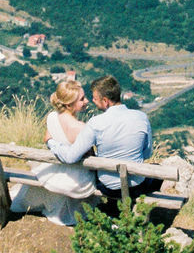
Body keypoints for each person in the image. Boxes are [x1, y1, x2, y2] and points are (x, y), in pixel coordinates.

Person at [47, 74, 153, 208]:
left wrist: (51, 142)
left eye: (95, 98)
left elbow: (70, 156)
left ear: (105, 101)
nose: (91, 101)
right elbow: (147, 154)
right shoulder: (142, 117)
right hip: (137, 184)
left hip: (109, 187)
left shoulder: (95, 124)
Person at [8, 79, 98, 226]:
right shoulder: (81, 128)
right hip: (76, 178)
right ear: (69, 105)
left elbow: (47, 138)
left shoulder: (52, 117)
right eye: (82, 99)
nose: (87, 101)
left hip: (55, 168)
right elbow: (90, 157)